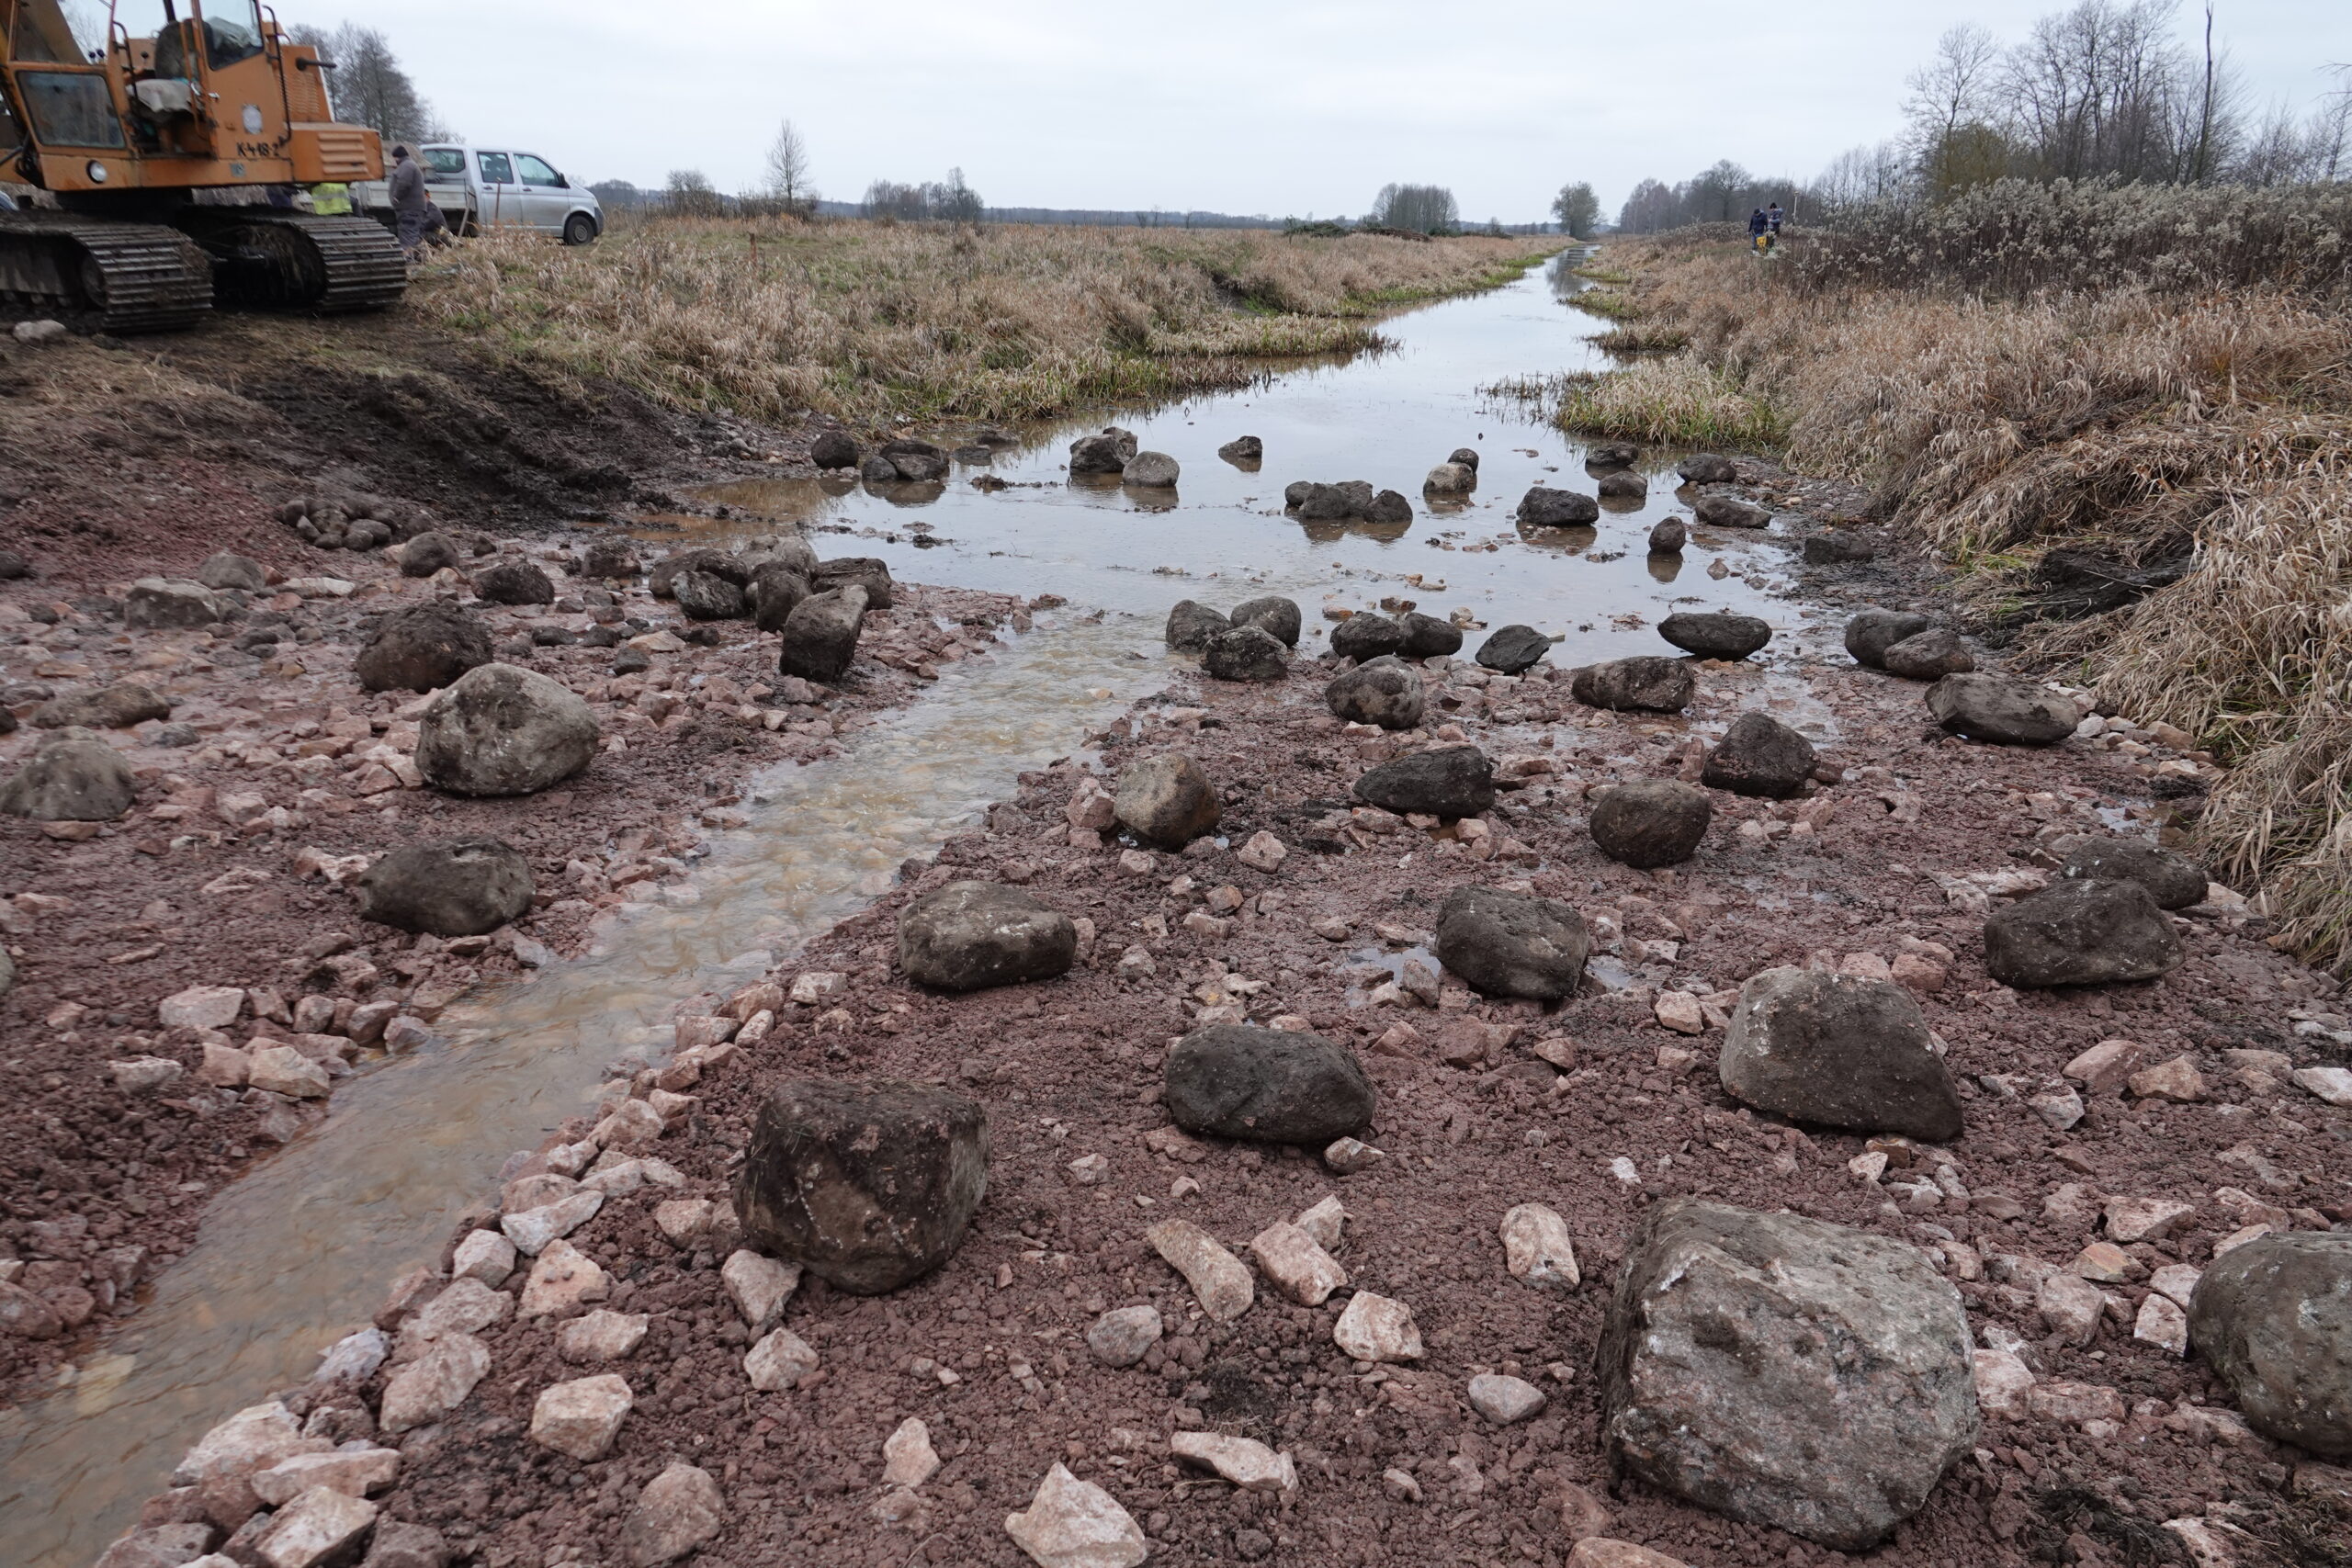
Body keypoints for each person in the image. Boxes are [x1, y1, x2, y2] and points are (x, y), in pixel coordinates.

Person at [388, 144, 428, 259]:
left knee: (408, 235)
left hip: (409, 209)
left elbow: (404, 183)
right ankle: (416, 259)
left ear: (397, 157)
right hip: (411, 209)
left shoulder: (407, 166)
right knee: (411, 235)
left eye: (394, 158)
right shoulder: (409, 165)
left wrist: (396, 197)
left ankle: (409, 260)